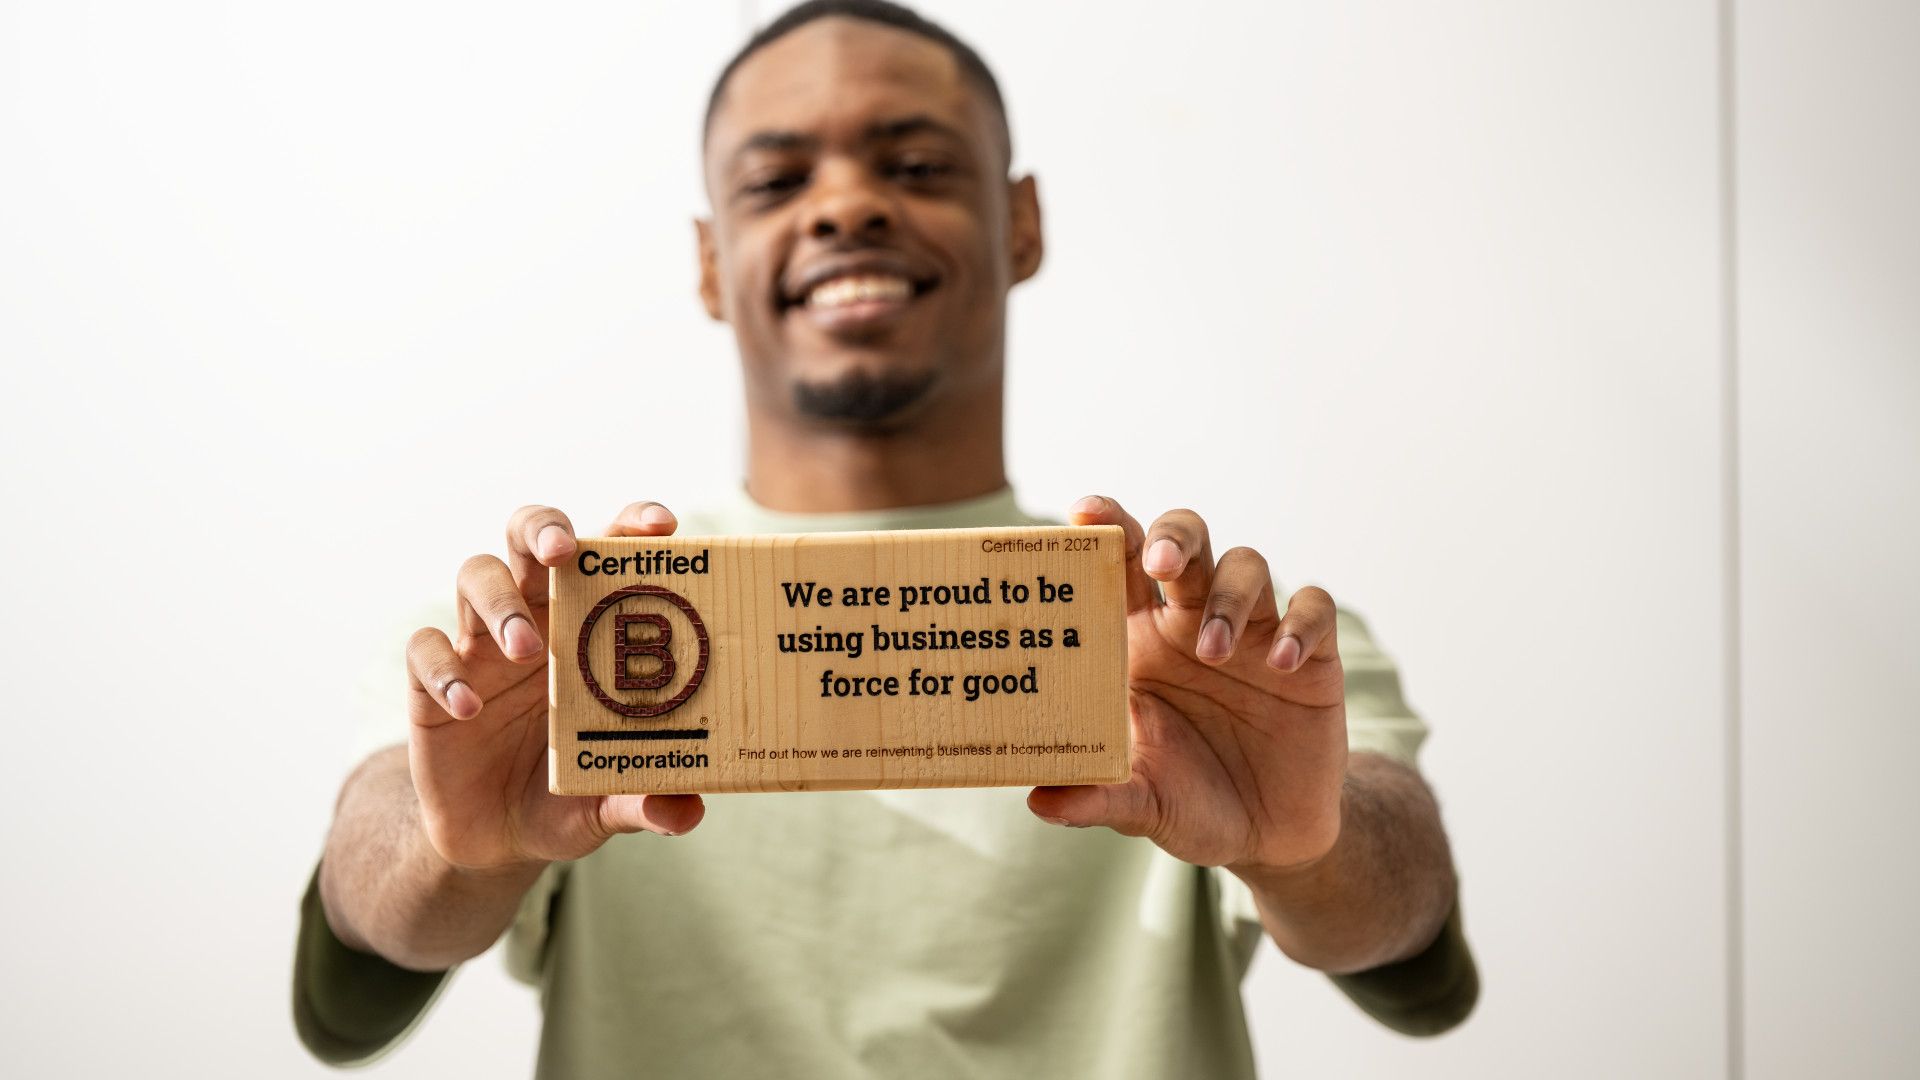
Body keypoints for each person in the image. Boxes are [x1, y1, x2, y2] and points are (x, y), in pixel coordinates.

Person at [293, 2, 1479, 1075]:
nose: (847, 206)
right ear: (709, 263)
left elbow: (1420, 964)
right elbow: (347, 989)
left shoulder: (1221, 647)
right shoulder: (537, 644)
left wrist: (1309, 853)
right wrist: (451, 850)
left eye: (916, 165)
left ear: (1022, 224)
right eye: (775, 180)